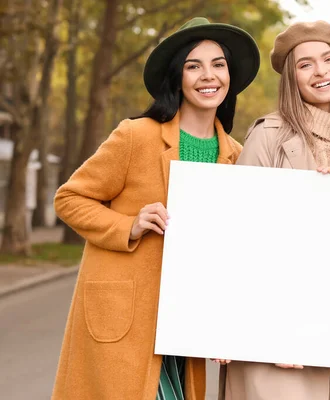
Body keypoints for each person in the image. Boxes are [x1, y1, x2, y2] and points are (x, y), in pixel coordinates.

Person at [51, 17, 260, 400]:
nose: (207, 75)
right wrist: (128, 225)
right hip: (127, 320)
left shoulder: (237, 156)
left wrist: (225, 323)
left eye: (218, 64)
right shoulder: (136, 136)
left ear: (230, 77)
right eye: (193, 65)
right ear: (176, 77)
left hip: (186, 322)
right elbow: (69, 198)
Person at [217, 21, 330, 400]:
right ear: (292, 79)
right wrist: (275, 330)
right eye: (305, 65)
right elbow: (239, 235)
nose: (320, 72)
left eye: (328, 59)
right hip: (274, 338)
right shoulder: (268, 135)